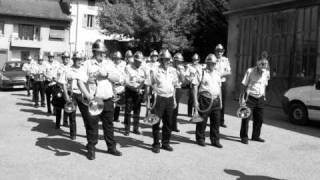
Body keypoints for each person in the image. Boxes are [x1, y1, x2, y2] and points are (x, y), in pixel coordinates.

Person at [77, 40, 122, 160]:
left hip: (108, 100)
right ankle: (91, 148)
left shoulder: (109, 64)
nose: (103, 55)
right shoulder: (87, 64)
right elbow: (80, 81)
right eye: (100, 52)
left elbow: (118, 78)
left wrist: (106, 74)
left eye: (104, 52)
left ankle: (111, 147)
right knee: (92, 125)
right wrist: (87, 95)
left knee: (109, 125)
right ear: (94, 52)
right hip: (94, 100)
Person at [146, 49, 178, 153]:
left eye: (169, 59)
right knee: (156, 121)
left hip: (169, 98)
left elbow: (174, 86)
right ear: (161, 60)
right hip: (158, 98)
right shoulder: (154, 71)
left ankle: (166, 143)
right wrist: (147, 101)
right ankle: (155, 144)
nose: (168, 61)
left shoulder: (172, 71)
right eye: (166, 59)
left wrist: (174, 99)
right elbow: (148, 85)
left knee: (168, 122)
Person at [192, 54, 223, 148]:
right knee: (202, 120)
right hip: (205, 99)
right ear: (206, 63)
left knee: (216, 122)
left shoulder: (217, 73)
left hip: (216, 99)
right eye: (209, 63)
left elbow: (219, 88)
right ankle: (200, 138)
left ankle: (215, 140)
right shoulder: (201, 72)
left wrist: (221, 101)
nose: (211, 65)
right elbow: (194, 86)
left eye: (213, 63)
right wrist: (195, 101)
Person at [239, 52, 270, 144]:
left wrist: (264, 96)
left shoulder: (266, 72)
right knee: (246, 118)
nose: (262, 71)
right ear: (258, 65)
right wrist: (242, 98)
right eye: (261, 69)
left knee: (259, 119)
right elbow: (243, 85)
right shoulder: (250, 71)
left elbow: (265, 84)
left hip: (260, 98)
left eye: (264, 68)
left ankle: (255, 136)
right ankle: (244, 137)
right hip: (249, 98)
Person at [59, 52, 83, 140]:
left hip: (82, 94)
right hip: (72, 94)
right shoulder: (68, 69)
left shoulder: (84, 69)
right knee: (72, 115)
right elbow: (64, 84)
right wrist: (66, 96)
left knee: (86, 115)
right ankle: (73, 134)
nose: (79, 61)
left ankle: (89, 133)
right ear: (73, 60)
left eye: (80, 59)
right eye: (77, 59)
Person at [123, 51, 146, 136]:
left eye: (141, 62)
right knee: (128, 111)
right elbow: (126, 81)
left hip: (139, 92)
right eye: (138, 61)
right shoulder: (128, 67)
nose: (139, 63)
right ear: (135, 60)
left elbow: (145, 79)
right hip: (130, 90)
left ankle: (135, 128)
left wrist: (142, 88)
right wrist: (134, 87)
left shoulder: (143, 68)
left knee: (137, 110)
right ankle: (127, 129)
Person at [215, 44, 231, 128]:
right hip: (214, 83)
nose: (219, 52)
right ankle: (214, 120)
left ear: (223, 52)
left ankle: (221, 121)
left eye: (221, 51)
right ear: (215, 51)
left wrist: (220, 74)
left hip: (222, 82)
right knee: (214, 102)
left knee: (223, 102)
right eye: (218, 51)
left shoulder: (225, 60)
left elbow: (229, 72)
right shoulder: (212, 59)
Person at [54, 52, 72, 128]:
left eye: (67, 58)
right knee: (58, 106)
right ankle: (57, 123)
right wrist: (58, 82)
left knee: (67, 105)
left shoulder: (71, 67)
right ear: (62, 59)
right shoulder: (58, 67)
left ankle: (65, 121)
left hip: (68, 89)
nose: (66, 59)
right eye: (64, 58)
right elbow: (55, 77)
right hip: (60, 88)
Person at [171, 53, 187, 132]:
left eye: (180, 61)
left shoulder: (181, 68)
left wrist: (180, 71)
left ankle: (174, 125)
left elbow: (183, 81)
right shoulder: (170, 67)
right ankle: (167, 124)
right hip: (169, 88)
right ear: (174, 61)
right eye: (177, 61)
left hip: (177, 88)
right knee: (168, 108)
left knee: (175, 107)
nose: (178, 63)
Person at [112, 51, 126, 122]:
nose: (117, 60)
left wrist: (125, 81)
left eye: (118, 58)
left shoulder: (124, 64)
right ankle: (113, 117)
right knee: (113, 103)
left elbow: (126, 74)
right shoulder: (111, 65)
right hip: (113, 86)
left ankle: (117, 118)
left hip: (121, 86)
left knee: (121, 103)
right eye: (116, 58)